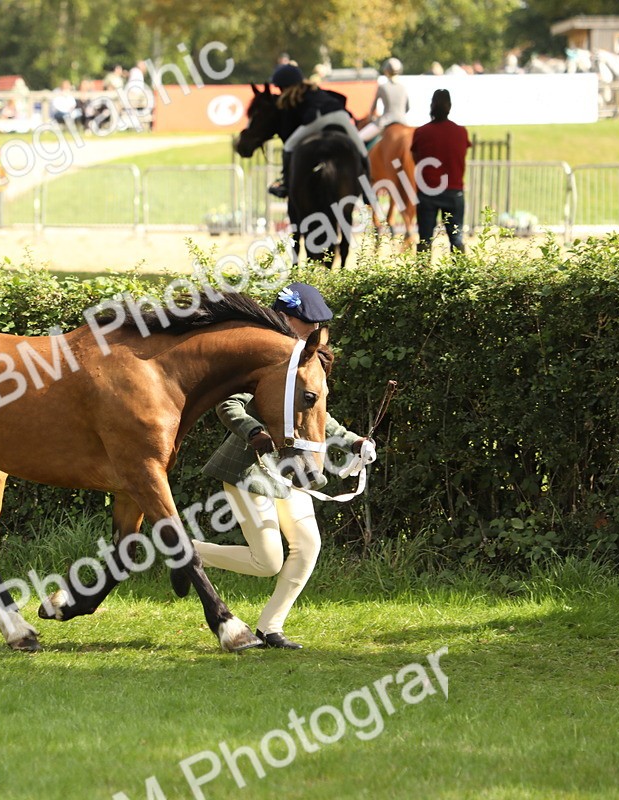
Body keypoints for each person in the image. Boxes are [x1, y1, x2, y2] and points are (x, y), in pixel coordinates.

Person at [189, 282, 377, 649]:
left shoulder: (307, 359)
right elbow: (229, 406)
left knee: (308, 547)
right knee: (268, 561)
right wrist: (255, 431)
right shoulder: (266, 358)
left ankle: (270, 627)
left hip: (291, 470)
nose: (318, 334)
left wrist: (354, 440)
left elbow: (316, 414)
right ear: (289, 319)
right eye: (311, 325)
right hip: (251, 470)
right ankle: (187, 551)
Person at [266, 63, 369, 198]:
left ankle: (286, 183)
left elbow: (288, 129)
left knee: (289, 146)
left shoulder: (293, 96)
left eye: (280, 87)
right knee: (362, 151)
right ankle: (368, 191)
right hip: (340, 115)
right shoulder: (313, 88)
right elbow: (340, 98)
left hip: (318, 118)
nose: (280, 91)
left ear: (286, 86)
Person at [411, 89, 470, 253]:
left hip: (427, 191)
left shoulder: (421, 132)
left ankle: (422, 276)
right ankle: (459, 276)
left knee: (424, 240)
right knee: (457, 239)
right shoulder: (461, 132)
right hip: (454, 191)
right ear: (450, 107)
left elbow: (416, 159)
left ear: (431, 106)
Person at [358, 58, 409, 143]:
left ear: (386, 71)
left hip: (385, 122)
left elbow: (373, 108)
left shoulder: (382, 87)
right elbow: (407, 108)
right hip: (403, 122)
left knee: (358, 138)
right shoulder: (403, 88)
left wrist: (371, 117)